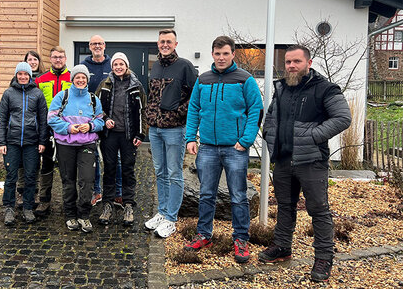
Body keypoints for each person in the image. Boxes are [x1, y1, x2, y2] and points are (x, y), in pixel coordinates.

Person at [259, 45, 351, 281]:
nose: (291, 66)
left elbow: (342, 117)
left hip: (311, 161)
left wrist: (312, 136)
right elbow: (271, 117)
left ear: (308, 63)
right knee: (285, 206)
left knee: (319, 211)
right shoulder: (281, 88)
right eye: (288, 62)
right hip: (283, 159)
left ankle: (323, 258)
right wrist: (269, 135)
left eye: (296, 61)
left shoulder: (324, 88)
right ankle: (282, 247)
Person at [183, 36, 263, 263]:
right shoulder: (203, 80)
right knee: (206, 194)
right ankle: (203, 234)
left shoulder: (244, 79)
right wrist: (191, 137)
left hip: (235, 148)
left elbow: (255, 109)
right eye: (217, 54)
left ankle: (240, 239)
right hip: (207, 147)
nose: (221, 58)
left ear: (233, 54)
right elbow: (194, 109)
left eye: (225, 53)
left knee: (238, 195)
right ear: (212, 54)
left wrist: (246, 140)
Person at [143, 29, 198, 238]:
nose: (164, 44)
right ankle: (162, 211)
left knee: (174, 173)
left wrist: (178, 113)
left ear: (175, 44)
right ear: (158, 44)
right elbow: (152, 95)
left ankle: (171, 218)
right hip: (156, 130)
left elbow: (195, 96)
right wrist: (149, 115)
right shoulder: (155, 66)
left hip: (175, 129)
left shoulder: (184, 66)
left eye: (169, 41)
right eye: (161, 41)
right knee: (160, 171)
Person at [47, 65, 104, 233]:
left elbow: (100, 121)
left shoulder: (94, 99)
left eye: (83, 78)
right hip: (65, 144)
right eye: (77, 77)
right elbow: (51, 118)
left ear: (87, 80)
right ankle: (70, 215)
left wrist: (90, 125)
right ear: (72, 79)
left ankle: (84, 215)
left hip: (87, 145)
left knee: (87, 180)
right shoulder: (62, 96)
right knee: (68, 181)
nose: (80, 80)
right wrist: (68, 128)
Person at [95, 52, 146, 226]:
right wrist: (105, 119)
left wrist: (140, 134)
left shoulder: (136, 85)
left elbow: (142, 111)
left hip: (128, 136)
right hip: (110, 135)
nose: (118, 67)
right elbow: (96, 107)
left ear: (126, 65)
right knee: (109, 169)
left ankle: (128, 205)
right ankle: (107, 205)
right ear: (112, 66)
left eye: (121, 64)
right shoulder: (105, 84)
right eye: (115, 64)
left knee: (128, 170)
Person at [0, 62, 48, 225]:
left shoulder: (37, 94)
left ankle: (28, 208)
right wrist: (1, 141)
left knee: (30, 176)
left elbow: (43, 120)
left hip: (31, 142)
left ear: (30, 75)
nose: (23, 77)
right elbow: (1, 119)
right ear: (16, 75)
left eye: (26, 74)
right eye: (20, 74)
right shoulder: (8, 93)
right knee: (11, 176)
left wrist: (42, 141)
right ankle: (9, 208)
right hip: (11, 142)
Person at [80, 35, 119, 206]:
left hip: (110, 118)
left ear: (105, 45)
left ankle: (117, 191)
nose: (97, 46)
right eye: (94, 44)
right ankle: (97, 191)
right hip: (91, 120)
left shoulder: (112, 65)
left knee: (114, 157)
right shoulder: (83, 66)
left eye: (100, 43)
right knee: (94, 158)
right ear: (89, 46)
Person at [33, 47, 72, 216]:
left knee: (67, 168)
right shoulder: (41, 80)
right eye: (55, 57)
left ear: (65, 58)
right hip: (47, 129)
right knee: (47, 166)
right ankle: (44, 201)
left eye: (61, 57)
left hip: (68, 130)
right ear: (50, 59)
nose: (58, 60)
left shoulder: (73, 78)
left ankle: (68, 203)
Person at [15, 50, 46, 208]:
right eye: (29, 59)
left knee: (35, 164)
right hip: (19, 131)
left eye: (35, 59)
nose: (32, 62)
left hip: (35, 129)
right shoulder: (17, 80)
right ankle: (21, 192)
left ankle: (35, 192)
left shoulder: (43, 78)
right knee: (21, 164)